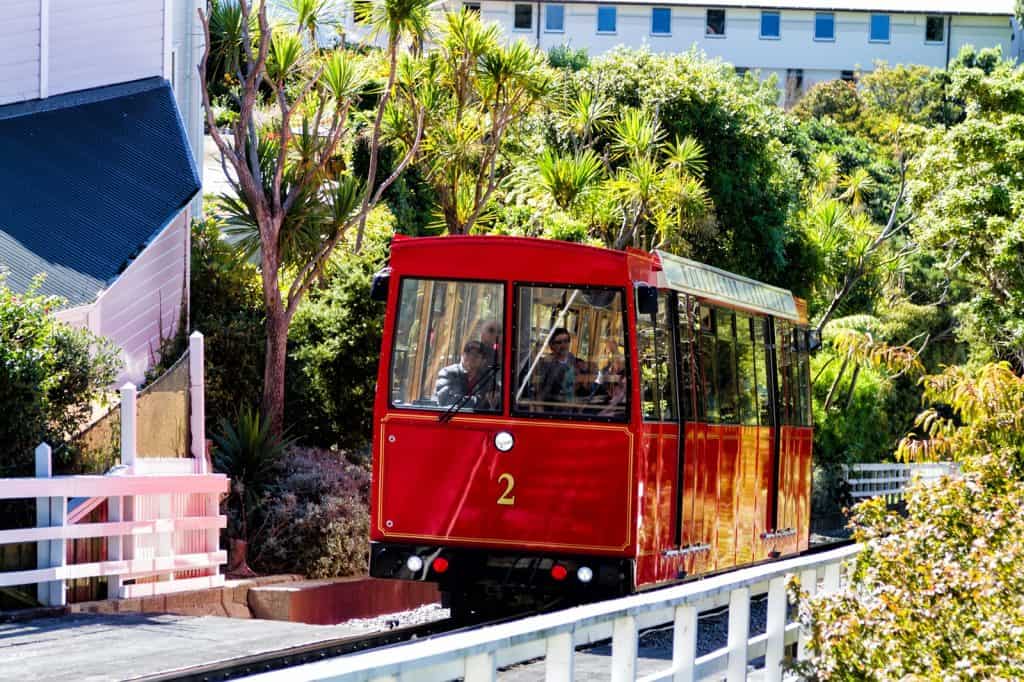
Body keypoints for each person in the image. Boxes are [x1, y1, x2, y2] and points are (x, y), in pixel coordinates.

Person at [435, 340, 497, 409]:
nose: (471, 357)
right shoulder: (447, 373)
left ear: (483, 361)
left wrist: (493, 403)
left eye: (476, 355)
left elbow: (496, 400)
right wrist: (478, 400)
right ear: (462, 355)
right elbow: (443, 400)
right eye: (468, 353)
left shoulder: (487, 379)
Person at [535, 327, 576, 408]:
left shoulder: (571, 357)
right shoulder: (545, 363)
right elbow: (540, 391)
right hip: (553, 407)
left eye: (566, 341)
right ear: (551, 345)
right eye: (559, 342)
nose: (563, 345)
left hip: (570, 406)